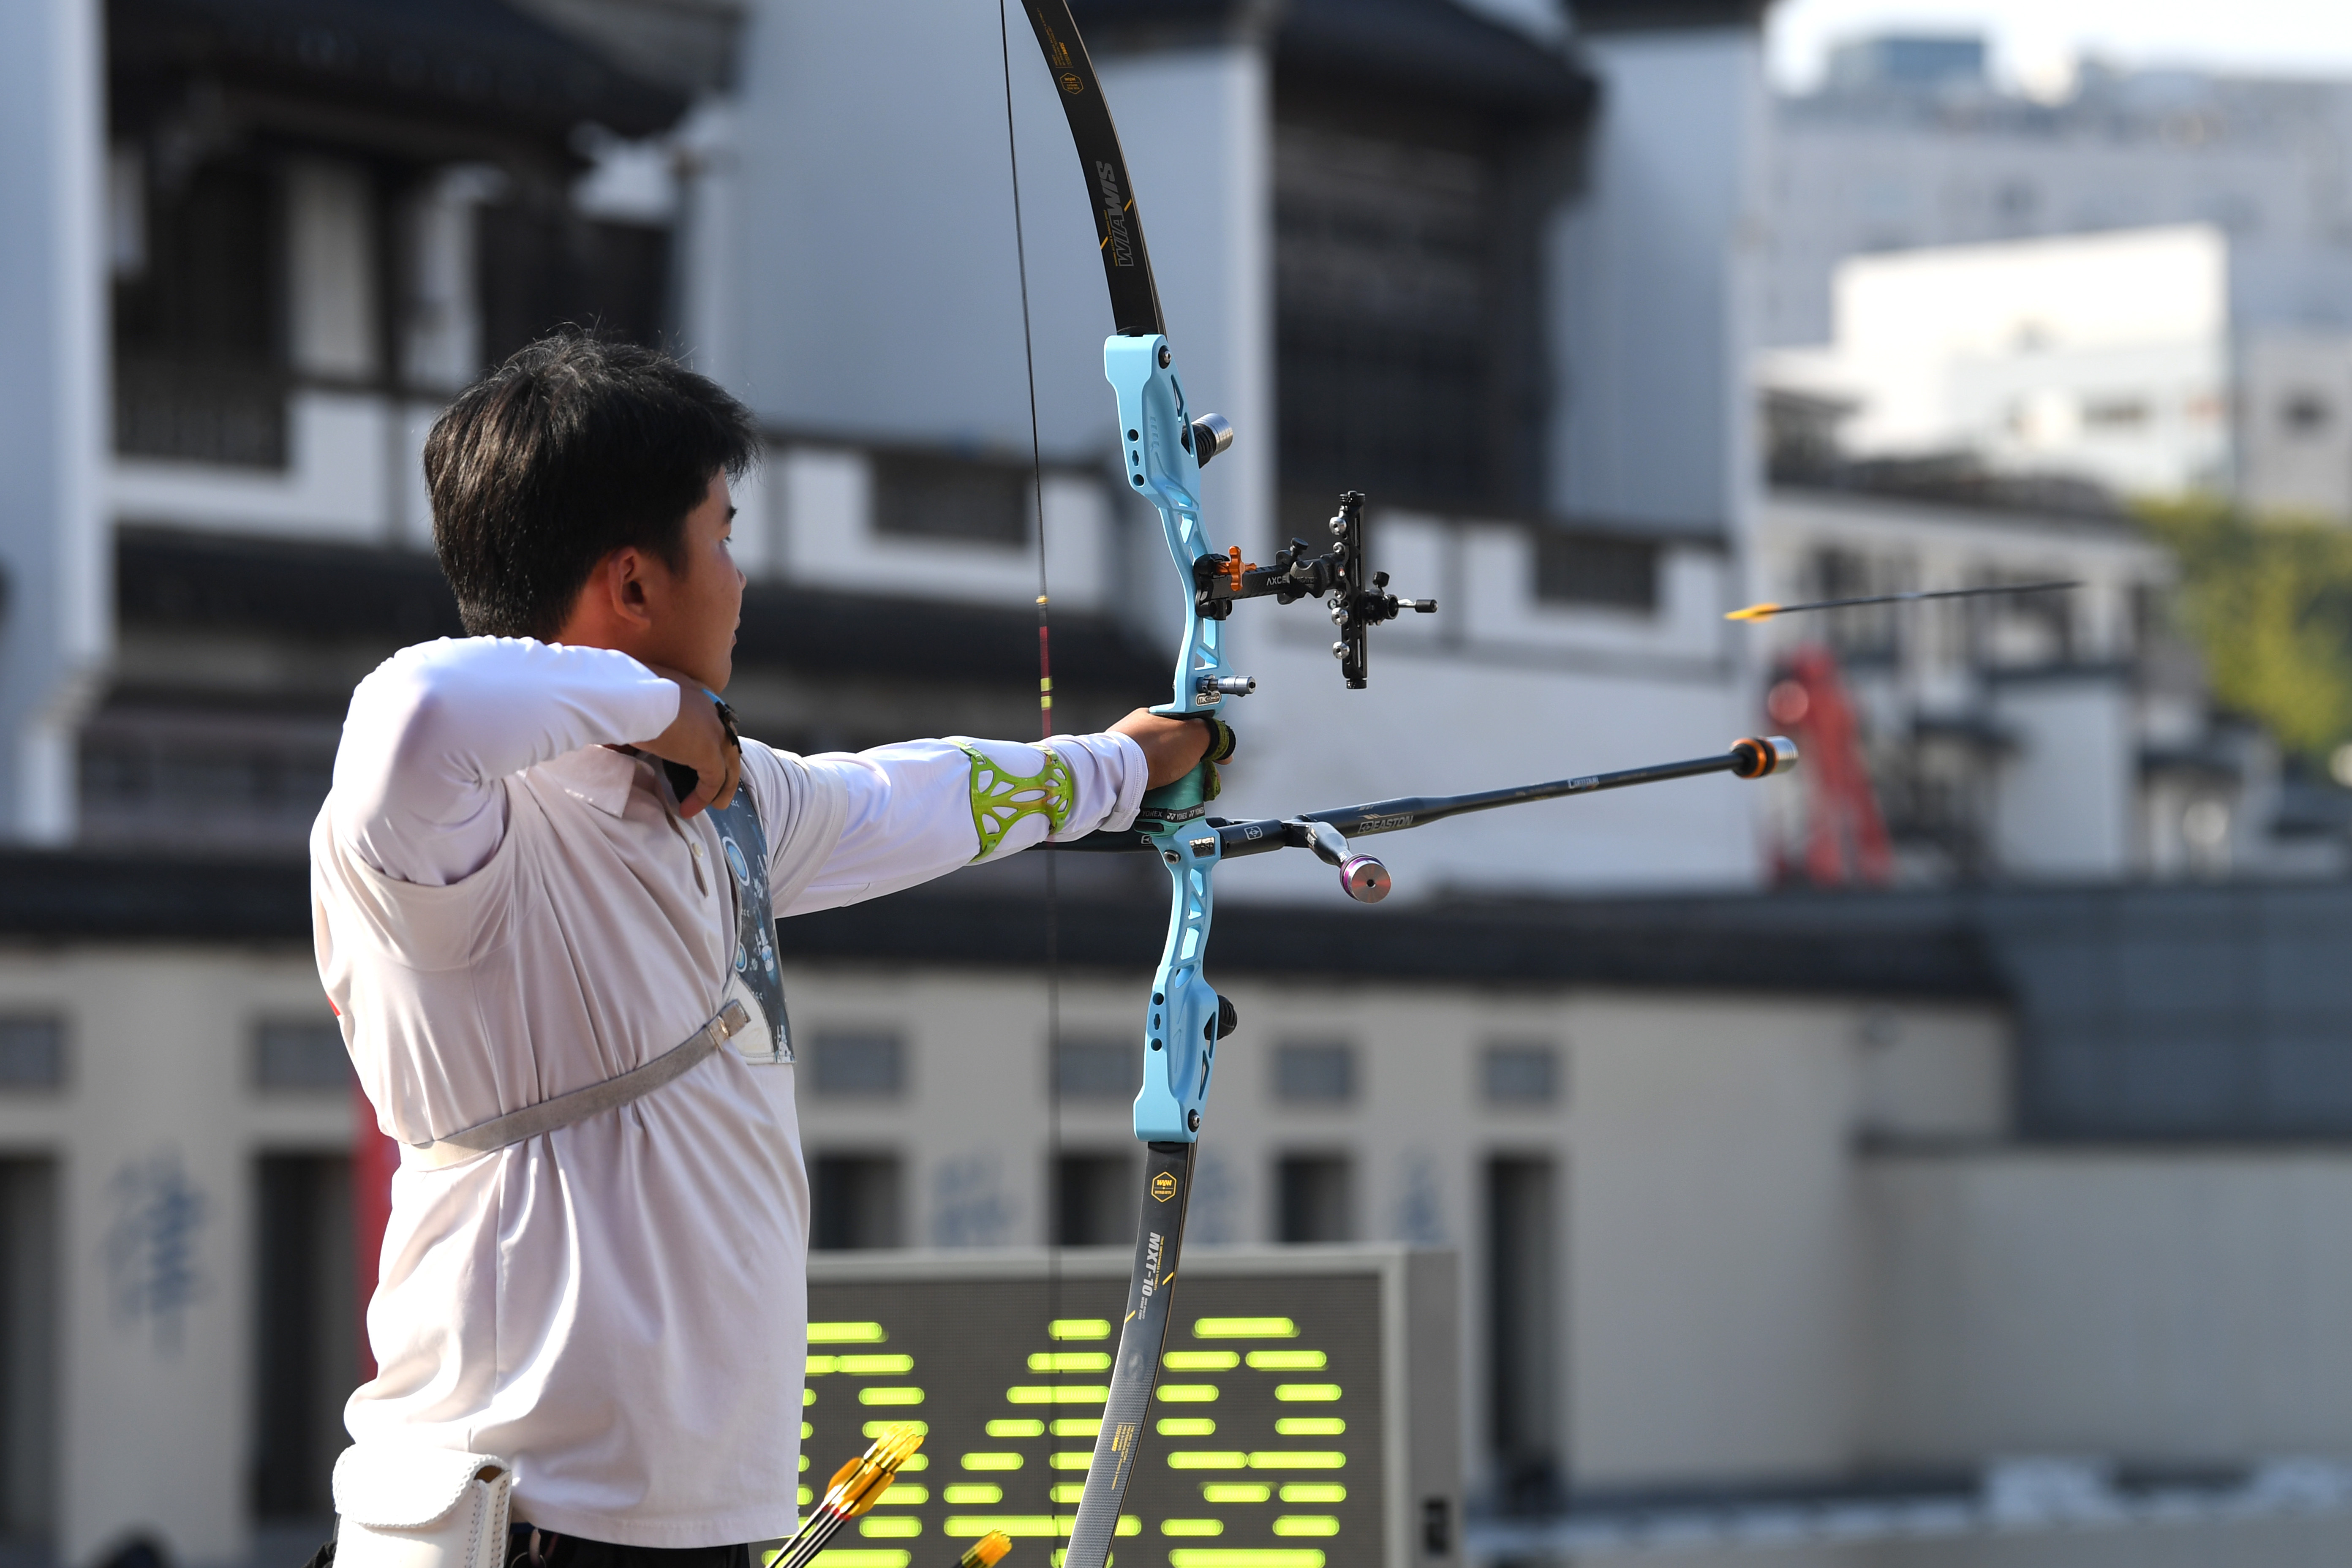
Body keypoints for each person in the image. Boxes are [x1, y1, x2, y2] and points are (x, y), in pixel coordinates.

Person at [309, 334, 1211, 1568]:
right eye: (722, 535)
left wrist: (1124, 767)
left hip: (692, 1523)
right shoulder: (461, 835)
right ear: (634, 585)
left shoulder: (721, 805)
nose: (740, 577)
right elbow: (416, 711)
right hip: (512, 1515)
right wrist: (674, 711)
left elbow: (911, 797)